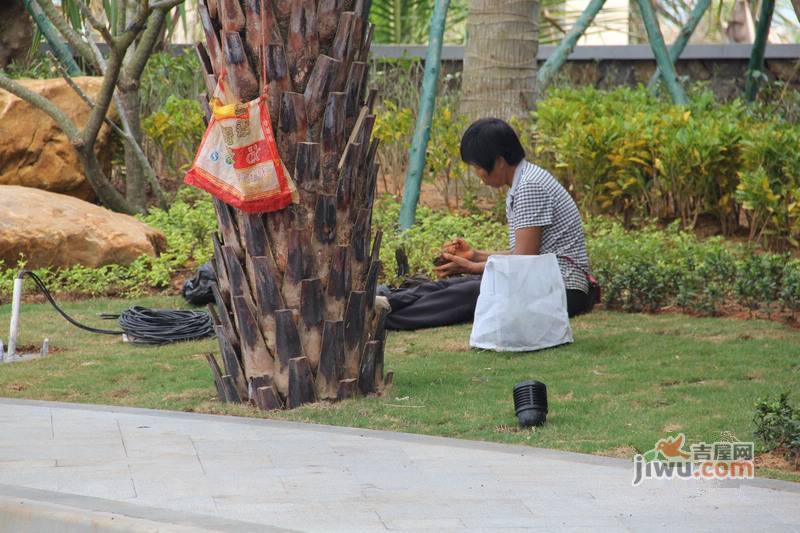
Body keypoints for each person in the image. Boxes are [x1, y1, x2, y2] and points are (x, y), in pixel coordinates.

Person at [384, 118, 592, 330]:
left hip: (563, 290)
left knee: (469, 292)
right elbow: (523, 255)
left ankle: (385, 318)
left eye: (477, 167)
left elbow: (523, 263)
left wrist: (474, 267)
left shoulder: (530, 187)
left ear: (499, 161)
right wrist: (476, 255)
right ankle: (386, 300)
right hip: (545, 281)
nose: (478, 175)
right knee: (456, 285)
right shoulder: (523, 181)